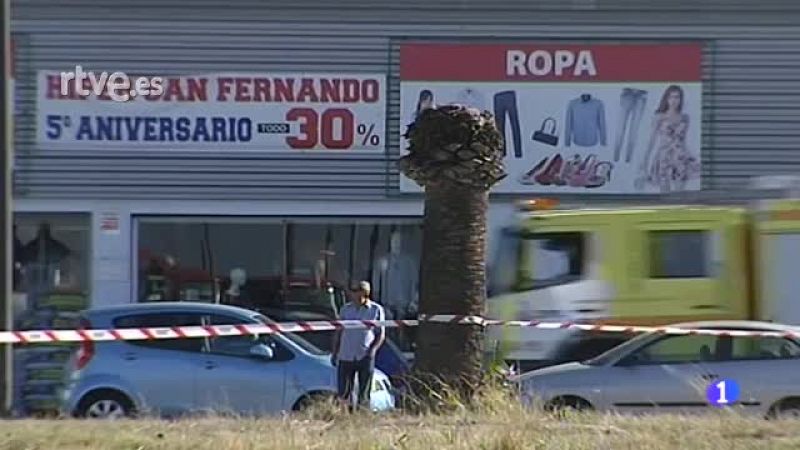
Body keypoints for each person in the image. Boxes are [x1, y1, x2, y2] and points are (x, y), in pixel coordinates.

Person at [331, 281, 386, 411]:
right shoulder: (345, 309)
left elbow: (381, 334)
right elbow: (339, 331)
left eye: (358, 291)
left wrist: (372, 350)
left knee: (364, 392)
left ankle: (362, 416)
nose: (355, 294)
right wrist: (335, 352)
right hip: (346, 355)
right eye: (353, 291)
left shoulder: (376, 310)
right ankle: (345, 417)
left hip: (364, 355)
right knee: (344, 392)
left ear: (365, 293)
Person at [636, 85, 700, 193]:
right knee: (665, 193)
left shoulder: (685, 118)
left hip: (680, 157)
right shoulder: (659, 117)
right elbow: (651, 140)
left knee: (679, 193)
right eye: (671, 97)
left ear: (681, 99)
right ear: (666, 99)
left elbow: (683, 141)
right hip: (664, 157)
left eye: (677, 97)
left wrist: (690, 158)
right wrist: (645, 160)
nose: (674, 100)